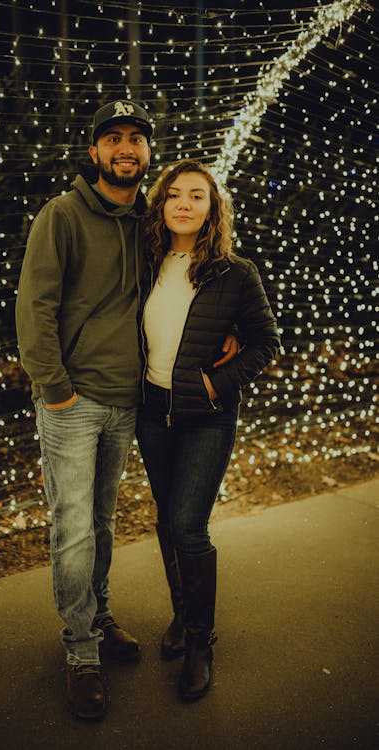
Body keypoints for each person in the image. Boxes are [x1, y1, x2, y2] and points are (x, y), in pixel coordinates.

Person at [16, 102, 238, 720]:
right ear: (94, 152)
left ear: (147, 155)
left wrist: (232, 334)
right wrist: (55, 388)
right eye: (112, 138)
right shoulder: (61, 216)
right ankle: (80, 653)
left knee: (104, 524)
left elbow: (200, 277)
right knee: (75, 527)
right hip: (73, 401)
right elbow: (34, 310)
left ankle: (101, 615)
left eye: (135, 139)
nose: (124, 148)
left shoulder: (151, 221)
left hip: (129, 402)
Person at [136, 158, 281, 702]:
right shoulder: (145, 262)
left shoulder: (234, 272)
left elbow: (267, 341)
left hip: (207, 419)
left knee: (188, 525)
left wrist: (219, 383)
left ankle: (200, 641)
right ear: (161, 204)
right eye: (174, 194)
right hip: (152, 414)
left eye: (196, 195)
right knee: (166, 522)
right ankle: (181, 614)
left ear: (213, 206)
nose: (183, 204)